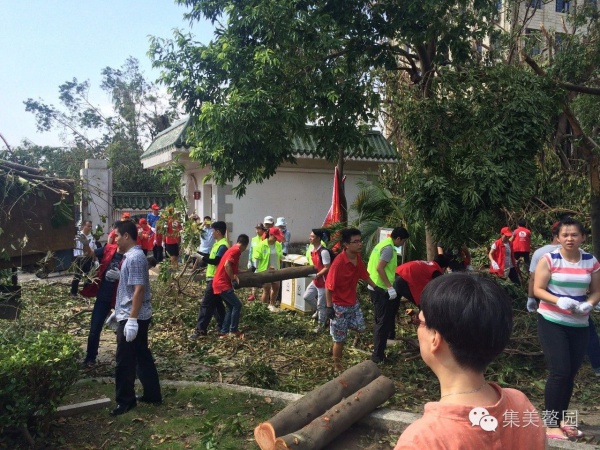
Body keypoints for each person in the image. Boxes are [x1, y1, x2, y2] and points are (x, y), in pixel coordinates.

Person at [395, 273, 546, 449]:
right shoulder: (520, 404)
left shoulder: (422, 441)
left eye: (419, 322)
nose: (417, 329)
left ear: (435, 338)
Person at [534, 217, 600, 440]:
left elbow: (596, 290)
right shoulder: (549, 259)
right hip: (552, 320)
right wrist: (557, 300)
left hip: (580, 324)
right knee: (559, 371)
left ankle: (562, 420)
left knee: (570, 374)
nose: (569, 238)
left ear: (583, 237)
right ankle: (551, 425)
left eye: (574, 234)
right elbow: (538, 289)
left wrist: (589, 304)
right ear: (558, 238)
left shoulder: (591, 261)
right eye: (565, 235)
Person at [110, 220, 161, 416]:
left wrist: (131, 319)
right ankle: (152, 394)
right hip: (132, 312)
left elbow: (139, 290)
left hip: (135, 317)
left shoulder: (135, 258)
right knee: (141, 356)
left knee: (125, 360)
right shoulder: (131, 257)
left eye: (116, 236)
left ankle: (125, 401)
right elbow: (132, 288)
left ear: (126, 236)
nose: (114, 239)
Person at [325, 228, 377, 371]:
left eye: (360, 241)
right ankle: (337, 366)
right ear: (346, 245)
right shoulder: (338, 263)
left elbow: (364, 275)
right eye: (356, 242)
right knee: (340, 340)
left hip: (352, 303)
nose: (360, 244)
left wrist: (376, 288)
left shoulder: (357, 258)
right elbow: (328, 287)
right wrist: (329, 307)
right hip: (339, 306)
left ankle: (336, 336)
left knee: (361, 327)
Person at [367, 227, 410, 364]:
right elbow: (380, 268)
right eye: (403, 241)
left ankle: (378, 351)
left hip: (373, 285)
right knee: (383, 322)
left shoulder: (381, 244)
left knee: (379, 319)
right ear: (398, 238)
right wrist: (390, 287)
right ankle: (378, 356)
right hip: (380, 288)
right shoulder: (389, 249)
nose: (403, 244)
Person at [80, 240, 123, 366]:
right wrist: (85, 244)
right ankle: (90, 358)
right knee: (94, 328)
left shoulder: (131, 256)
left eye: (118, 235)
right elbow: (91, 254)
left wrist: (122, 276)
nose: (117, 239)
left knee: (123, 331)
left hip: (120, 299)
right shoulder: (108, 249)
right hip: (103, 297)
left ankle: (128, 360)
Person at [190, 221, 229, 339]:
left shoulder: (222, 245)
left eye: (213, 230)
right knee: (217, 304)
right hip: (213, 278)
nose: (211, 233)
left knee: (206, 304)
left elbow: (216, 261)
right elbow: (211, 258)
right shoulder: (218, 244)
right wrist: (199, 255)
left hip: (215, 279)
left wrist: (201, 257)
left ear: (218, 231)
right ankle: (223, 326)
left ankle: (200, 330)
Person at [213, 234, 250, 338]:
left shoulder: (232, 249)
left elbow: (233, 269)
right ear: (245, 245)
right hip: (222, 284)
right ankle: (233, 330)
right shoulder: (236, 251)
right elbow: (227, 265)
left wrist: (246, 272)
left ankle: (224, 332)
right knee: (237, 305)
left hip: (219, 283)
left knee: (231, 306)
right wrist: (233, 279)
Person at [527, 221, 561, 313]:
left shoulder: (540, 252)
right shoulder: (578, 253)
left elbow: (533, 278)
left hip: (545, 300)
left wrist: (530, 297)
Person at [303, 229, 332, 333]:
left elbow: (327, 267)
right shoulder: (312, 251)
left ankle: (321, 325)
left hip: (323, 282)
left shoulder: (323, 252)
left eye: (313, 236)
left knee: (321, 304)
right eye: (310, 236)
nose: (310, 238)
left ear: (319, 238)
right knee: (307, 296)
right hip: (316, 281)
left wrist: (318, 275)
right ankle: (320, 312)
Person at [254, 227, 284, 311]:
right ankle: (263, 308)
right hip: (265, 271)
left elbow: (280, 255)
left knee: (276, 287)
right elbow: (256, 258)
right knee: (266, 289)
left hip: (276, 270)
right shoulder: (261, 245)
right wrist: (256, 270)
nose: (277, 238)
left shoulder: (278, 245)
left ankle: (272, 305)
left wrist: (287, 258)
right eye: (275, 236)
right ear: (270, 235)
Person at [71, 220, 95, 298]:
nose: (89, 228)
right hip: (80, 258)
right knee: (77, 276)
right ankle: (73, 293)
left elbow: (93, 248)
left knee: (88, 277)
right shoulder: (78, 236)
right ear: (83, 226)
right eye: (88, 226)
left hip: (89, 258)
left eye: (91, 226)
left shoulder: (91, 236)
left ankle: (85, 293)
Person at [247, 223, 266, 301]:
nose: (257, 230)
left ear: (262, 230)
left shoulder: (264, 239)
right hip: (254, 260)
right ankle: (253, 294)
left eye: (259, 229)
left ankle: (263, 294)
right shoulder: (254, 239)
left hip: (262, 261)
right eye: (256, 229)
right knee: (254, 278)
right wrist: (249, 260)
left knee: (263, 278)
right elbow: (251, 250)